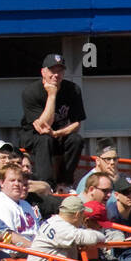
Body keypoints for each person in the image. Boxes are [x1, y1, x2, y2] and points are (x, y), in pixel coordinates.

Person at [19, 52, 87, 187]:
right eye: (52, 70)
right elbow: (43, 126)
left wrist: (58, 133)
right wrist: (52, 95)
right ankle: (46, 185)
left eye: (60, 71)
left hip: (57, 134)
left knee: (76, 140)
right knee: (45, 139)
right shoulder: (31, 91)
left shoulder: (73, 90)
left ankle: (64, 183)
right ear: (43, 72)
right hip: (32, 135)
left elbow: (76, 123)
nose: (56, 74)